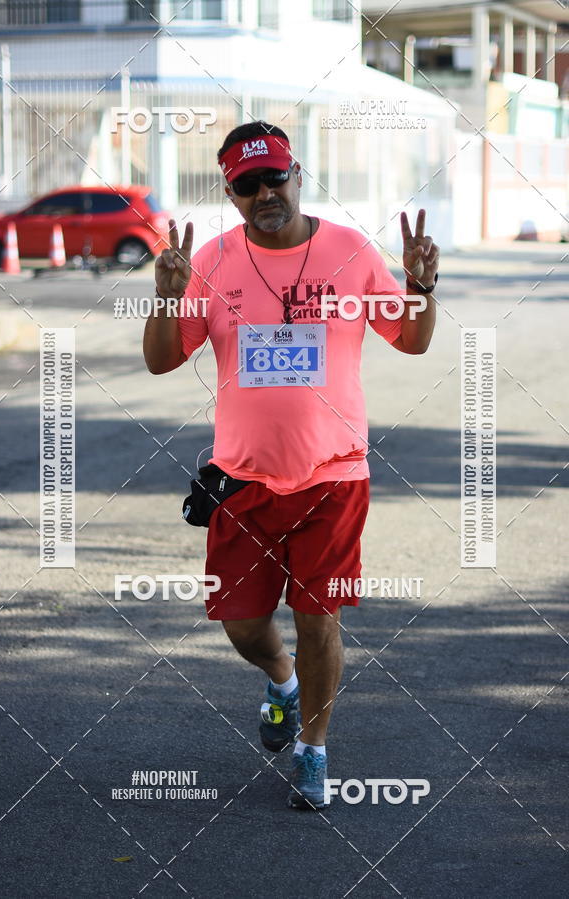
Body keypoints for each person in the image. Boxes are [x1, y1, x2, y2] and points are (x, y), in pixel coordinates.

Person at [143, 121, 438, 809]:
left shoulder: (349, 251)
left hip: (333, 477)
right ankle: (280, 681)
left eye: (274, 176)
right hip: (242, 480)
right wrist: (166, 295)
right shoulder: (210, 261)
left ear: (297, 172)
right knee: (243, 623)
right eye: (247, 184)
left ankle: (313, 748)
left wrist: (422, 285)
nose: (264, 192)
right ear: (231, 192)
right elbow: (161, 359)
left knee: (319, 618)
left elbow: (411, 339)